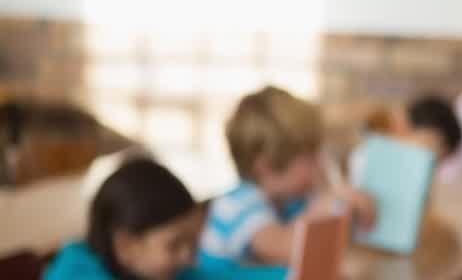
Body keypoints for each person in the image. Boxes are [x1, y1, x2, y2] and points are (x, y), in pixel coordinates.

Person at [197, 86, 376, 270]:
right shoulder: (234, 205)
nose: (320, 163)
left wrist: (347, 207)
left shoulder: (292, 204)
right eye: (309, 157)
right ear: (266, 167)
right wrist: (328, 204)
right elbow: (284, 248)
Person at [44, 156, 207, 280]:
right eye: (174, 245)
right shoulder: (74, 274)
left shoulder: (164, 271)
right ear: (126, 246)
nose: (190, 259)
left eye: (194, 242)